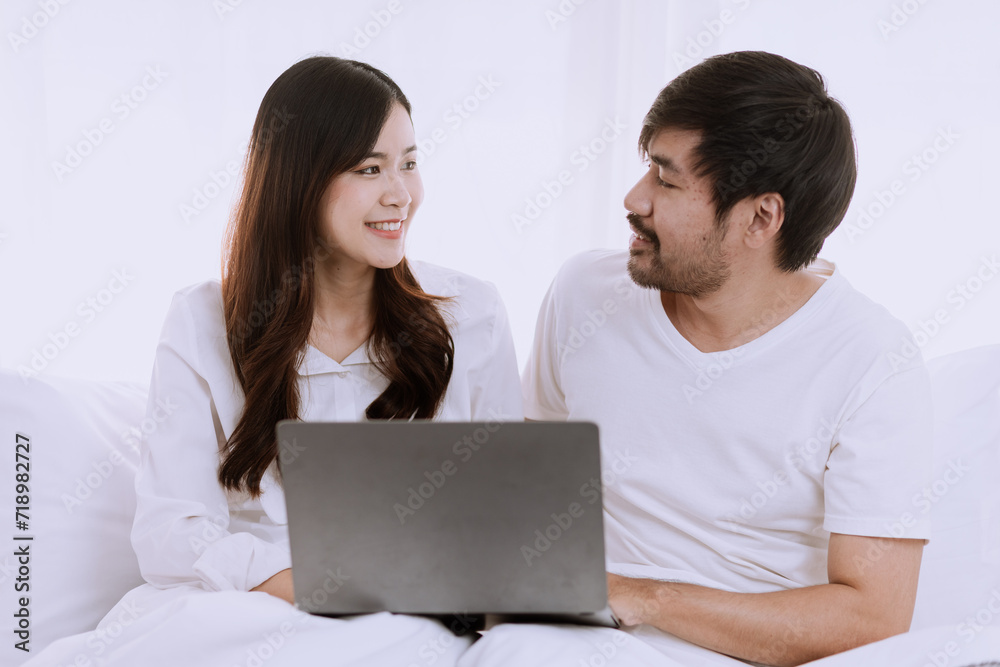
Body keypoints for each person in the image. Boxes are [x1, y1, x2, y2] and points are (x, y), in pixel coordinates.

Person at [25, 56, 522, 667]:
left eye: (410, 163)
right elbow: (170, 533)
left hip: (410, 614)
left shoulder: (471, 314)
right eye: (371, 168)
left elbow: (504, 523)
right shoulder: (203, 320)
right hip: (247, 604)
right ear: (300, 182)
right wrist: (316, 584)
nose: (402, 194)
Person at [459, 51, 934, 667]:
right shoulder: (585, 293)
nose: (634, 199)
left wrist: (645, 598)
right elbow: (522, 484)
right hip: (556, 638)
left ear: (761, 217)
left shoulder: (872, 360)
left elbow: (875, 616)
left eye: (666, 178)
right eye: (646, 167)